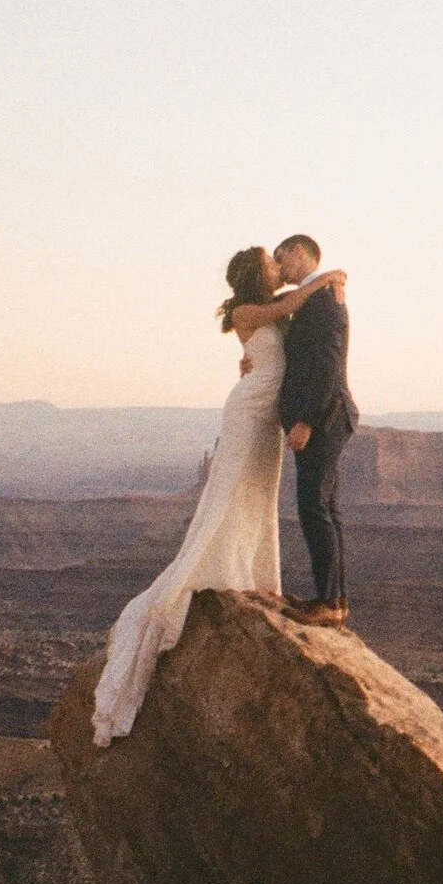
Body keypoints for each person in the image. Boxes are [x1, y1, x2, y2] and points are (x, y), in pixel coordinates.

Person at [90, 244, 346, 746]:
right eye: (271, 264)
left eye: (281, 260)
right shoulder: (252, 309)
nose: (278, 266)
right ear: (257, 275)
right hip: (250, 412)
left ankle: (251, 573)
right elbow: (285, 311)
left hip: (267, 417)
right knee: (232, 491)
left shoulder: (262, 310)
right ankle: (212, 571)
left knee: (257, 495)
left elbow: (292, 342)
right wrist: (326, 277)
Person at [273, 233, 358, 627]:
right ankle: (334, 600)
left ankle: (328, 602)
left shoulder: (324, 301)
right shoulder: (318, 295)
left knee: (313, 507)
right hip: (326, 417)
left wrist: (306, 420)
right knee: (325, 509)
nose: (280, 267)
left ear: (298, 252)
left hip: (323, 419)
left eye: (281, 257)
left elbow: (327, 365)